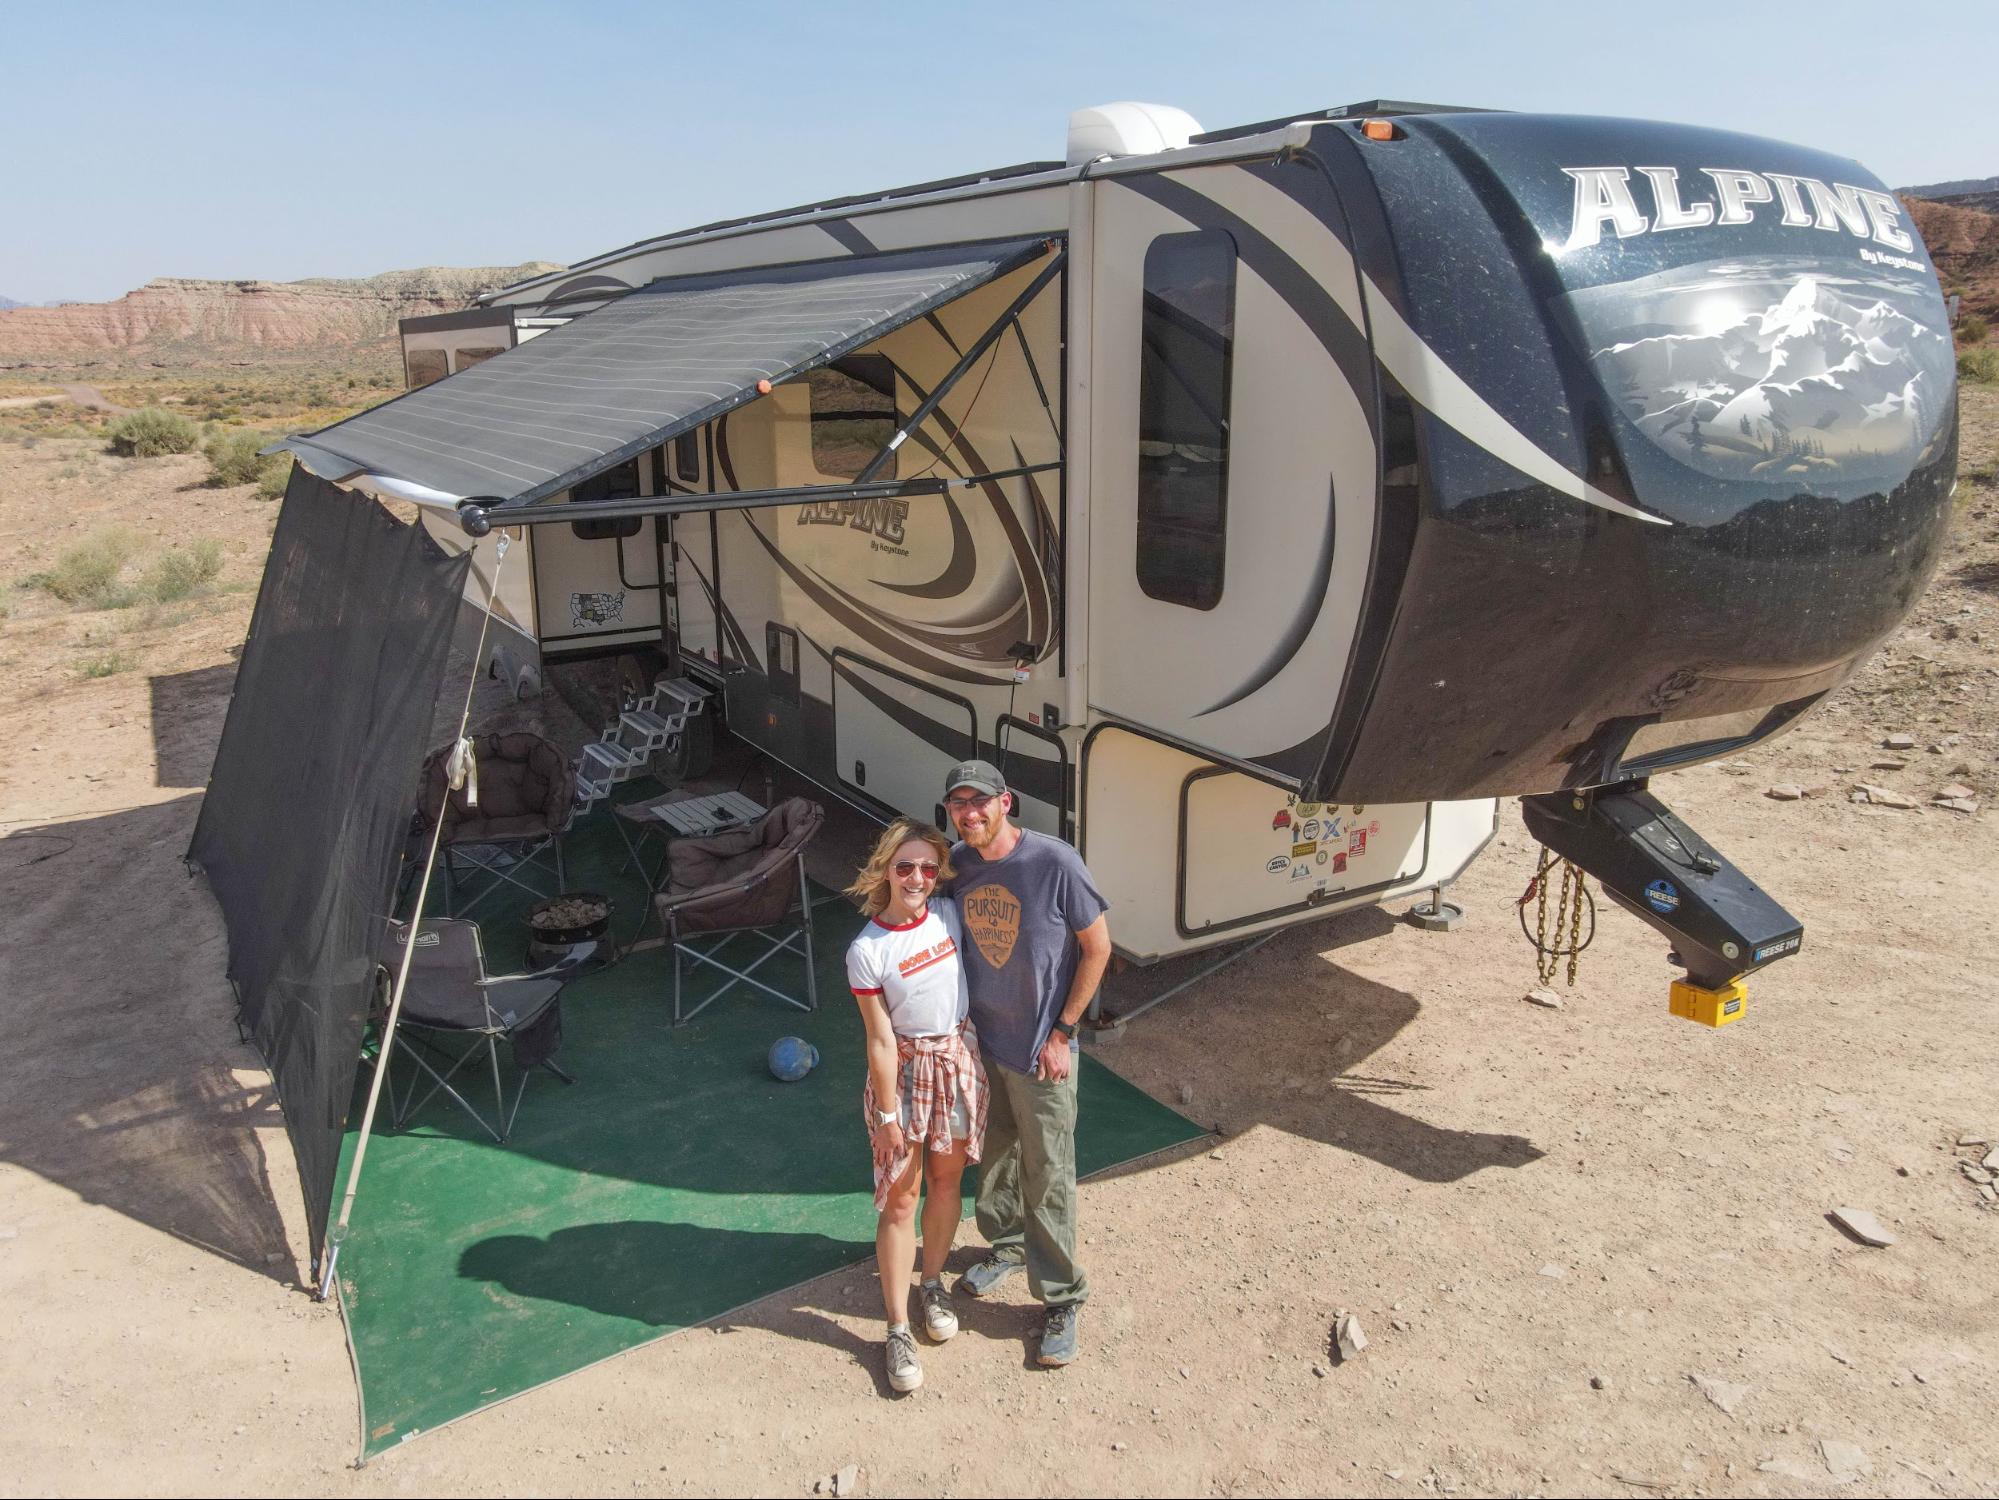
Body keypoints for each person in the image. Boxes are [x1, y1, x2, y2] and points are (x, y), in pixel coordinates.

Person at [939, 759, 1111, 1368]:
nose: (969, 813)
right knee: (994, 1159)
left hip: (1042, 1051)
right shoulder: (955, 865)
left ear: (1005, 802)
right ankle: (1007, 1245)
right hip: (984, 1046)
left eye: (978, 801)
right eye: (958, 804)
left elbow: (1098, 947)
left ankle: (1061, 1298)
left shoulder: (1054, 862)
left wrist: (1064, 1032)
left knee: (1049, 1172)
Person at [843, 818, 988, 1395]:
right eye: (906, 866)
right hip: (904, 1077)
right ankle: (898, 1326)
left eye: (930, 868)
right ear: (886, 869)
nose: (919, 877)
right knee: (901, 1198)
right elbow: (879, 1039)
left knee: (947, 1181)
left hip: (954, 1062)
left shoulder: (949, 914)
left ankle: (932, 1284)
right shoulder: (867, 950)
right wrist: (884, 1116)